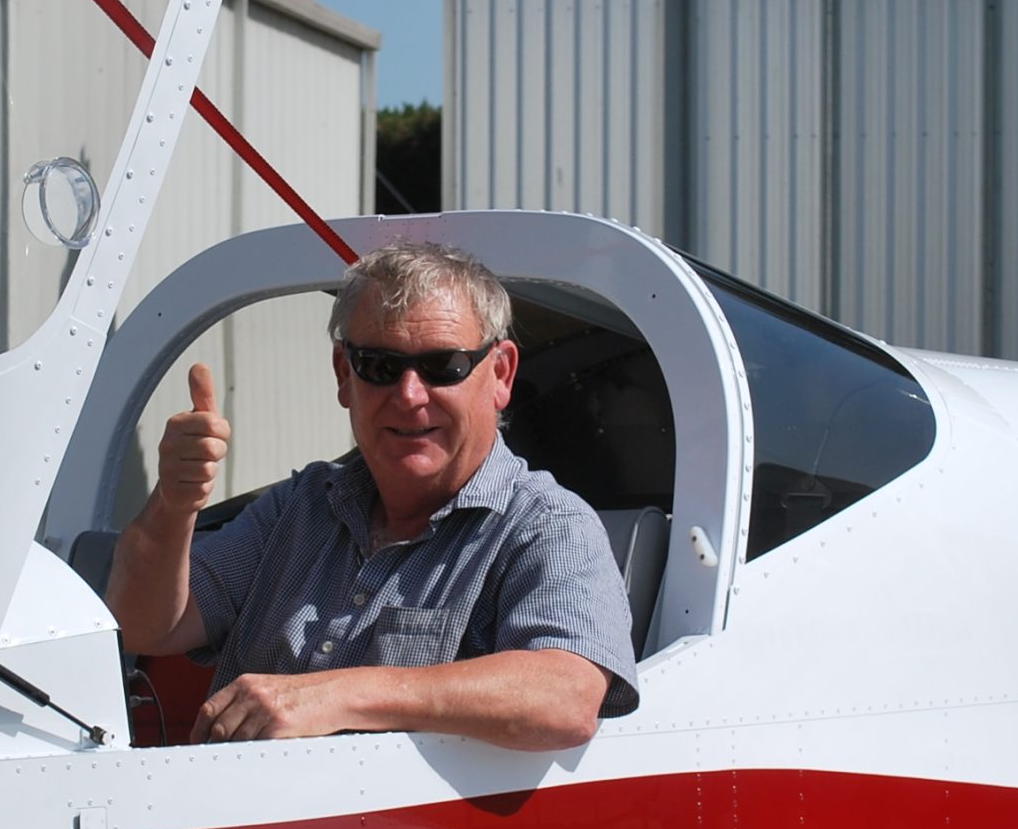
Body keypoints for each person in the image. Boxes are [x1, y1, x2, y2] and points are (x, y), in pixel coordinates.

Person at [105, 241, 640, 750]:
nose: (409, 396)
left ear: (500, 374)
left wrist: (336, 695)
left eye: (442, 367)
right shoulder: (298, 506)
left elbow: (566, 696)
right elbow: (142, 623)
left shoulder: (546, 526)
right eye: (380, 367)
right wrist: (174, 503)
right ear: (344, 375)